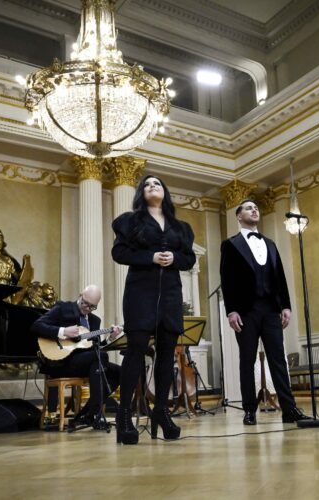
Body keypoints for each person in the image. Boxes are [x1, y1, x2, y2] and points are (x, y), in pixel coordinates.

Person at [111, 174, 196, 444]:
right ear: (141, 193)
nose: (152, 186)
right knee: (135, 350)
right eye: (147, 184)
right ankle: (124, 415)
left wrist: (174, 258)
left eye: (157, 184)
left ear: (165, 192)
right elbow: (119, 253)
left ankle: (161, 410)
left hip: (170, 293)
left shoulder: (180, 227)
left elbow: (189, 258)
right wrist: (149, 257)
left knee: (166, 353)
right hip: (140, 292)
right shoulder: (130, 221)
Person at [220, 199, 310, 426]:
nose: (254, 210)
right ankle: (249, 410)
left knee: (278, 360)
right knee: (247, 360)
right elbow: (227, 280)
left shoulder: (270, 243)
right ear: (238, 216)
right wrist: (231, 311)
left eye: (256, 207)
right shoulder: (230, 245)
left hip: (271, 309)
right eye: (248, 208)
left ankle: (289, 409)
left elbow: (280, 277)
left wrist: (286, 306)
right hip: (246, 311)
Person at [31, 285, 121, 430]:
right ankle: (93, 416)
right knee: (101, 360)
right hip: (62, 362)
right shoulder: (63, 308)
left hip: (87, 364)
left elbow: (97, 350)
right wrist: (63, 331)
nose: (87, 308)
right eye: (85, 303)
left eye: (92, 307)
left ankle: (86, 415)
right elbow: (36, 326)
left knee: (119, 372)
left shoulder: (94, 321)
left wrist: (110, 338)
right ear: (80, 295)